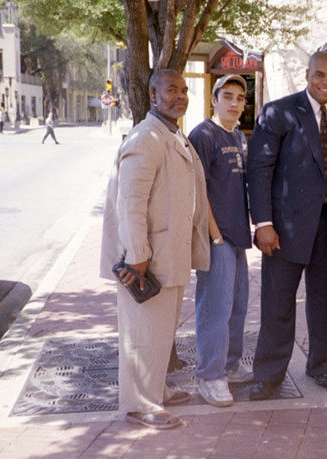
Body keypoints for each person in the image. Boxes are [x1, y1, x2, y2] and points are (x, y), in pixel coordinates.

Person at [100, 69, 210, 429]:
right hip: (147, 257)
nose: (179, 95)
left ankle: (154, 388)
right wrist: (138, 256)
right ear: (152, 95)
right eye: (170, 90)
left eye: (183, 90)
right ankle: (139, 404)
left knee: (160, 331)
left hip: (169, 252)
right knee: (142, 332)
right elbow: (130, 202)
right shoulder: (145, 138)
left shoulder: (172, 134)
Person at [246, 51, 327, 400]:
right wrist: (263, 223)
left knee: (323, 301)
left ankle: (321, 367)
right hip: (284, 227)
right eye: (320, 75)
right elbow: (259, 169)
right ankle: (269, 376)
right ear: (307, 73)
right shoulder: (279, 111)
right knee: (277, 303)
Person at [188, 75, 253, 407]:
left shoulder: (238, 135)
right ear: (214, 99)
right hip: (217, 237)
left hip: (237, 235)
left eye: (240, 98)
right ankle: (210, 376)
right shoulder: (203, 135)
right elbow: (197, 191)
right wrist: (213, 235)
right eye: (227, 96)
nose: (234, 103)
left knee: (238, 305)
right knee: (215, 307)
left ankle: (230, 365)